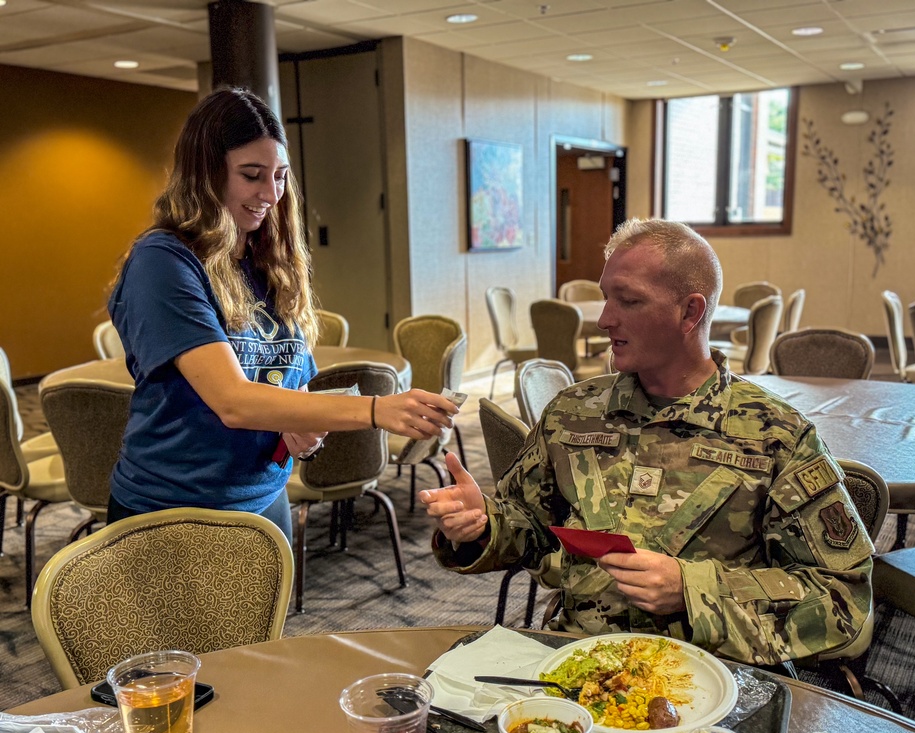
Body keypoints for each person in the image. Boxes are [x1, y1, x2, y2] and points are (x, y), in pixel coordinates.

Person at [421, 219, 875, 667]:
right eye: (605, 298)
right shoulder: (572, 414)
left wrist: (690, 589)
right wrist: (482, 524)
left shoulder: (776, 436)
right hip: (580, 665)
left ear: (690, 312)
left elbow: (842, 598)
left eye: (629, 301)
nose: (604, 319)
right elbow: (531, 531)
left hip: (708, 678)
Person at [107, 87, 457, 542]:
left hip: (264, 497)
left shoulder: (265, 257)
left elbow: (289, 381)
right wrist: (374, 409)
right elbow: (233, 401)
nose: (270, 193)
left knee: (271, 618)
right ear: (205, 175)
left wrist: (303, 428)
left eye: (280, 176)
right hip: (174, 506)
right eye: (251, 175)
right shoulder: (164, 261)